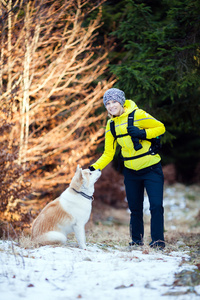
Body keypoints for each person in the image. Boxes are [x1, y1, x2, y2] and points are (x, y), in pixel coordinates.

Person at [89, 88, 166, 249]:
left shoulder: (138, 115)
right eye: (107, 104)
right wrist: (93, 168)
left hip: (151, 169)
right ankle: (137, 241)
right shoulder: (111, 125)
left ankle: (158, 241)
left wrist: (142, 133)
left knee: (156, 206)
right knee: (135, 208)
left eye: (114, 102)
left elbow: (160, 127)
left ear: (121, 101)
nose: (111, 106)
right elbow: (108, 153)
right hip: (131, 172)